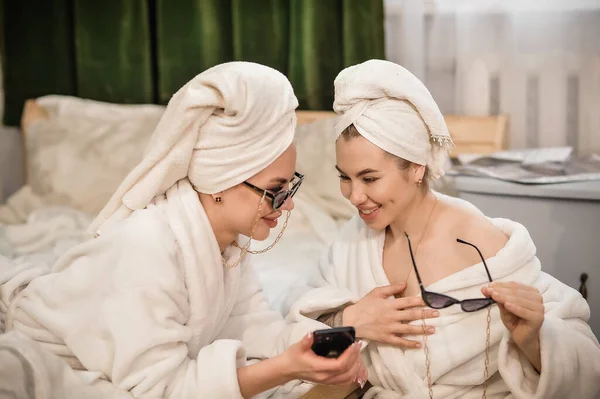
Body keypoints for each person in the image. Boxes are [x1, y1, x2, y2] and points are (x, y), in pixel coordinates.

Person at [0, 62, 367, 399]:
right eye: (274, 192)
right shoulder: (149, 244)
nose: (286, 205)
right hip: (42, 340)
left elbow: (250, 325)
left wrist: (322, 342)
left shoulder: (227, 242)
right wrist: (282, 370)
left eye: (290, 187)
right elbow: (161, 389)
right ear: (220, 183)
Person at [286, 59, 600, 399]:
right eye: (344, 178)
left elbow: (583, 363)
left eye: (369, 178)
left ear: (417, 168)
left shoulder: (480, 244)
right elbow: (301, 318)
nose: (354, 196)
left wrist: (532, 340)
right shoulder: (355, 240)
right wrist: (348, 319)